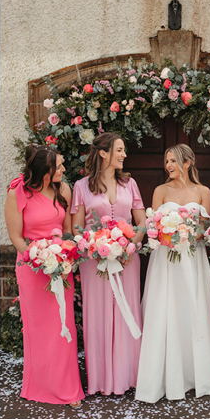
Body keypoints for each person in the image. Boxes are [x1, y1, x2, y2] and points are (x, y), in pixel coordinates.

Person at [4, 144, 85, 407]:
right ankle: (39, 386)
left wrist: (64, 256)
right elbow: (15, 237)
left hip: (61, 267)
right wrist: (38, 259)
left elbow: (68, 230)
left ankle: (67, 389)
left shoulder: (63, 190)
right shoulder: (18, 191)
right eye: (59, 165)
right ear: (45, 170)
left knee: (64, 325)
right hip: (32, 268)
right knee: (39, 329)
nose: (63, 169)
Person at [135, 143, 210, 403]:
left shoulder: (203, 191)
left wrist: (187, 232)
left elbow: (206, 230)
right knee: (164, 308)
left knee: (191, 309)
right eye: (166, 161)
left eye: (173, 161)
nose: (168, 166)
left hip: (192, 258)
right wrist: (167, 232)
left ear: (188, 163)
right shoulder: (160, 190)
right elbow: (152, 227)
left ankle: (194, 375)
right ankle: (161, 375)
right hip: (166, 261)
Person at [70, 133, 146, 396]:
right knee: (99, 312)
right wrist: (94, 247)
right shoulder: (81, 187)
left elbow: (142, 221)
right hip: (95, 262)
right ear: (103, 153)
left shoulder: (130, 184)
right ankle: (102, 380)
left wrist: (130, 246)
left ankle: (128, 375)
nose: (124, 155)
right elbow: (76, 229)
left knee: (127, 311)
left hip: (127, 258)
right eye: (120, 150)